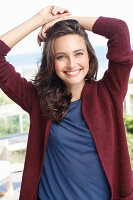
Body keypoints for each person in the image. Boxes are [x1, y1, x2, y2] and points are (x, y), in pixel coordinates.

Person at [0, 5, 133, 200]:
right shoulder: (38, 100)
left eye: (78, 53)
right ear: (51, 62)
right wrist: (38, 20)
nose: (71, 64)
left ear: (89, 55)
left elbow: (118, 30)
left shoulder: (109, 92)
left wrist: (65, 21)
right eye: (61, 57)